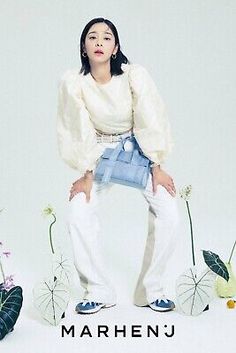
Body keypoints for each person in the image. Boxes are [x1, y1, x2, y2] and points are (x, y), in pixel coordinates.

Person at [56, 17, 179, 314]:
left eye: (107, 37)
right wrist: (87, 172)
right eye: (93, 37)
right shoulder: (75, 83)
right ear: (84, 47)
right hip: (99, 152)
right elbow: (77, 126)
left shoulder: (134, 76)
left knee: (169, 211)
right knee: (77, 211)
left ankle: (152, 290)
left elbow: (150, 117)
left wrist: (156, 165)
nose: (99, 42)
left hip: (138, 149)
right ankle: (98, 290)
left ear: (116, 47)